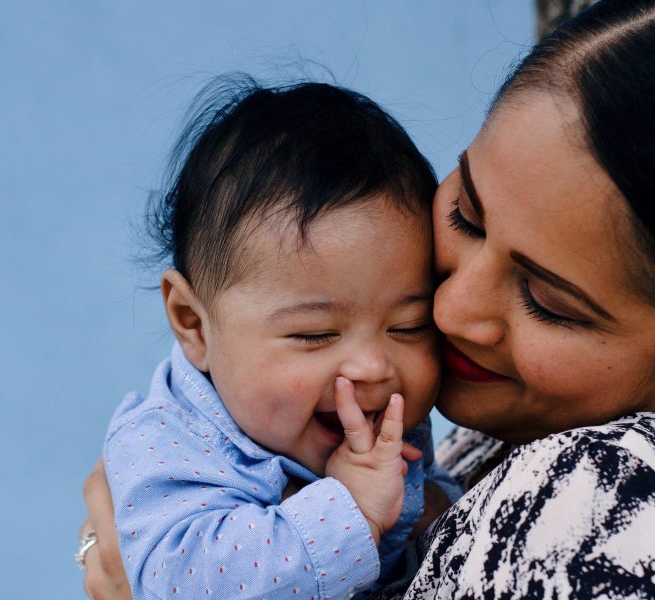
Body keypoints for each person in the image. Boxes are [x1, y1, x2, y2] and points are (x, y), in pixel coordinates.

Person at [80, 0, 655, 597]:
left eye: (546, 298)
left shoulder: (625, 523)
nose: (448, 311)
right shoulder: (533, 418)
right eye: (466, 213)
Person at [92, 79, 461, 600]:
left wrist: (434, 512)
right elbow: (180, 584)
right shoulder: (167, 444)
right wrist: (348, 510)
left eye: (409, 326)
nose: (374, 366)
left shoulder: (375, 419)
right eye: (314, 334)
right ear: (192, 323)